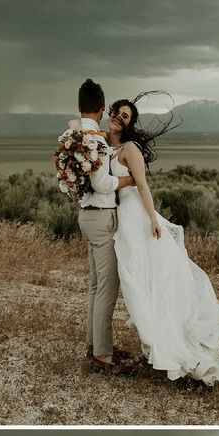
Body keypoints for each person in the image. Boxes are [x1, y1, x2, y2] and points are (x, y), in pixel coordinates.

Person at [107, 97, 219, 383]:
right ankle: (153, 340)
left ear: (131, 123)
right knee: (137, 279)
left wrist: (153, 219)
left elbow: (142, 184)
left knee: (146, 279)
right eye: (117, 112)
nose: (119, 117)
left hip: (135, 218)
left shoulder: (129, 148)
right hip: (119, 219)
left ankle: (168, 344)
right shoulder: (106, 144)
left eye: (126, 115)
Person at [74, 79, 136, 375]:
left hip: (85, 215)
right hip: (101, 217)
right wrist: (127, 180)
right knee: (107, 290)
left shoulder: (71, 136)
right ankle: (103, 356)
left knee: (96, 286)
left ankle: (93, 344)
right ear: (101, 109)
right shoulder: (95, 140)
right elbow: (102, 183)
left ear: (78, 107)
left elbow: (69, 183)